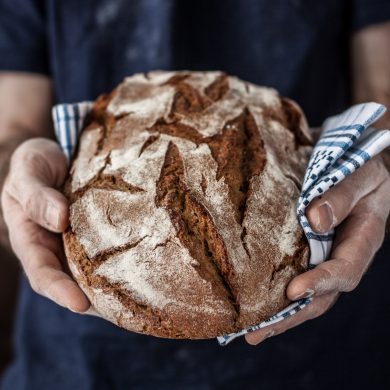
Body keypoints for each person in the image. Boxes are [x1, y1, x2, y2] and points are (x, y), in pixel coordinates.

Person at [0, 1, 389, 388]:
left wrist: (377, 161)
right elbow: (12, 127)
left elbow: (381, 93)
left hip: (320, 353)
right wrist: (15, 177)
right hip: (76, 360)